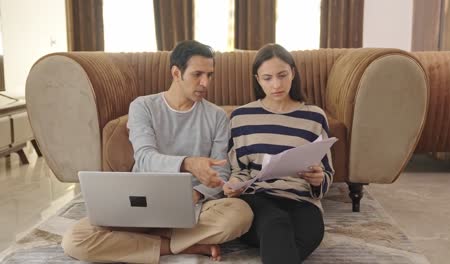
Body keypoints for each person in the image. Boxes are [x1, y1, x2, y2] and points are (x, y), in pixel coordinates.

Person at [62, 40, 253, 264]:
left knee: (240, 214)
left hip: (194, 206)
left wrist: (192, 196)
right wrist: (188, 163)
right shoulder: (143, 106)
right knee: (76, 239)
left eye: (209, 75)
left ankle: (143, 241)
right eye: (197, 74)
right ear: (176, 72)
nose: (205, 83)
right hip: (142, 201)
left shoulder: (217, 116)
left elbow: (220, 172)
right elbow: (144, 158)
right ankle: (179, 246)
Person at [223, 43, 334, 264]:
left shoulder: (315, 117)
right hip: (257, 200)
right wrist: (234, 184)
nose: (276, 84)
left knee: (310, 232)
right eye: (267, 78)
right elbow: (239, 169)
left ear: (293, 72)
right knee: (276, 223)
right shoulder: (241, 117)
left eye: (282, 75)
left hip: (301, 201)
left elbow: (326, 171)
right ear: (257, 79)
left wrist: (318, 178)